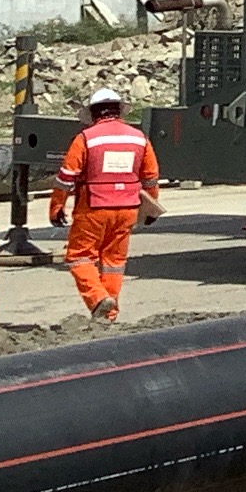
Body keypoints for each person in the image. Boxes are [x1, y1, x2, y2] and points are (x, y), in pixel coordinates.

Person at [51, 88, 161, 324]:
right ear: (119, 110)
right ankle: (108, 315)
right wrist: (152, 206)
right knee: (114, 262)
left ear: (93, 112)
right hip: (128, 208)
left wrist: (56, 206)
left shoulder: (86, 138)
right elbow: (150, 176)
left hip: (93, 207)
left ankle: (99, 299)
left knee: (79, 257)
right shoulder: (138, 138)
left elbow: (66, 176)